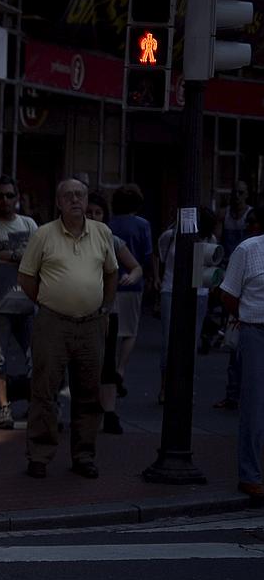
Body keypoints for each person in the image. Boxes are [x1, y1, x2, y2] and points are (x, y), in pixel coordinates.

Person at [18, 178, 118, 480]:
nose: (75, 200)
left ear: (87, 201)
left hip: (91, 324)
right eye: (69, 196)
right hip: (53, 323)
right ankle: (39, 455)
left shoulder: (102, 233)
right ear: (59, 203)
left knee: (88, 392)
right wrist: (50, 302)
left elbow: (111, 273)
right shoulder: (44, 234)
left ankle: (83, 455)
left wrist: (104, 307)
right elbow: (26, 278)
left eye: (80, 195)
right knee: (45, 391)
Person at [0, 176, 37, 431]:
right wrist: (20, 256)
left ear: (18, 198)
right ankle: (3, 407)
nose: (5, 200)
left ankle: (39, 405)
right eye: (0, 195)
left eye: (10, 195)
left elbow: (40, 259)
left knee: (35, 354)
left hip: (28, 300)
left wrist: (6, 256)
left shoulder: (30, 224)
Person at [86, 193, 144, 434]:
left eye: (98, 212)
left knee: (107, 363)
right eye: (90, 212)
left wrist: (132, 276)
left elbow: (136, 266)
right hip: (79, 309)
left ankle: (109, 412)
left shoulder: (112, 239)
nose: (93, 216)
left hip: (108, 309)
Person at [218, 223, 264, 502]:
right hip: (256, 330)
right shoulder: (248, 250)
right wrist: (246, 318)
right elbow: (228, 295)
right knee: (254, 406)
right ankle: (250, 475)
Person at [154, 206, 217, 405]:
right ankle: (165, 386)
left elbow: (204, 272)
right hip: (170, 289)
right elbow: (159, 255)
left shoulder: (208, 240)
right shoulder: (170, 236)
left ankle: (185, 387)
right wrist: (156, 278)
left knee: (191, 342)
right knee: (168, 342)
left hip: (198, 292)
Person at [106, 184, 153, 398]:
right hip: (133, 283)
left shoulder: (108, 225)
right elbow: (147, 255)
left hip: (109, 282)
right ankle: (120, 369)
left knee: (110, 330)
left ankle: (108, 368)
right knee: (130, 330)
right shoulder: (142, 225)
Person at [214, 182, 254, 411]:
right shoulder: (226, 215)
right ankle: (233, 393)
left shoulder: (248, 216)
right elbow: (220, 240)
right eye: (234, 192)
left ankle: (236, 393)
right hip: (230, 266)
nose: (236, 196)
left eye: (240, 192)